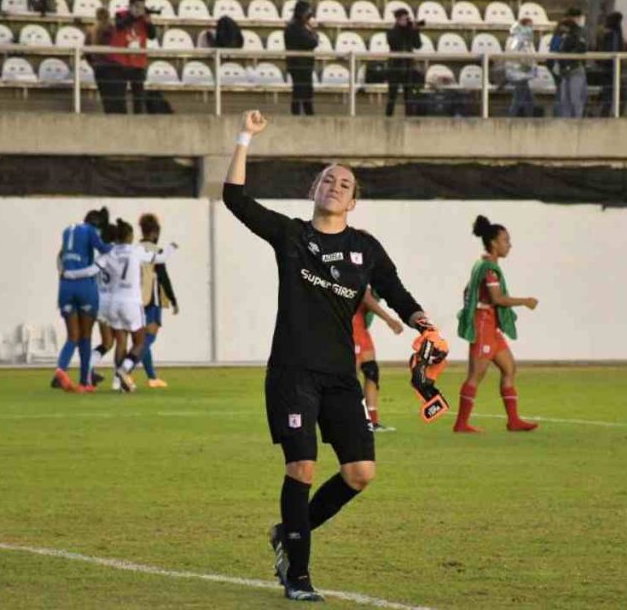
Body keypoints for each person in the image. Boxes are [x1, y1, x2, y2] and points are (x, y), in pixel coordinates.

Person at [224, 110, 442, 601]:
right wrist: (245, 137)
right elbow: (234, 198)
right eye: (328, 179)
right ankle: (298, 576)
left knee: (360, 474)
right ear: (314, 191)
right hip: (293, 373)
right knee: (301, 466)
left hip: (339, 377)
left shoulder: (366, 248)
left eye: (345, 182)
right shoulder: (291, 236)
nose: (336, 185)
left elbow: (397, 293)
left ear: (354, 200)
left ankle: (287, 533)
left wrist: (424, 324)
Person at [454, 215, 539, 434]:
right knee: (476, 375)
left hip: (491, 326)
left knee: (509, 368)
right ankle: (461, 424)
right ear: (493, 243)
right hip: (483, 326)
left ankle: (514, 421)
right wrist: (525, 301)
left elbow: (468, 290)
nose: (508, 245)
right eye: (505, 240)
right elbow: (497, 299)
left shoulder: (483, 265)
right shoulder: (488, 268)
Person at [97, 218, 177, 392]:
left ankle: (117, 383)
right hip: (135, 302)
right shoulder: (138, 251)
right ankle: (125, 371)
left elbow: (97, 270)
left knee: (121, 341)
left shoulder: (110, 253)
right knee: (142, 340)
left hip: (113, 302)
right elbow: (161, 263)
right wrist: (172, 247)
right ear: (129, 236)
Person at [53, 208, 113, 393]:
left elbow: (60, 257)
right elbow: (103, 248)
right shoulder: (90, 231)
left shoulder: (67, 230)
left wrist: (64, 273)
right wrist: (118, 248)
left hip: (65, 286)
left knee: (72, 336)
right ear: (97, 225)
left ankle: (60, 370)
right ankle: (84, 381)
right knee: (86, 336)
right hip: (84, 286)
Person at [137, 213, 179, 388]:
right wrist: (173, 299)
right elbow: (163, 277)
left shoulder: (136, 248)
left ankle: (152, 377)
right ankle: (127, 368)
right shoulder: (156, 251)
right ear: (154, 232)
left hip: (137, 298)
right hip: (152, 298)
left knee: (143, 338)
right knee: (149, 338)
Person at [352, 287, 403, 431]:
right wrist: (389, 320)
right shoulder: (363, 275)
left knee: (371, 372)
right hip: (352, 326)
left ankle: (372, 421)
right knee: (349, 378)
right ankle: (350, 419)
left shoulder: (379, 278)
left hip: (361, 328)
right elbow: (366, 298)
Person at [107, 0, 157, 115]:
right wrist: (133, 16)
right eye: (137, 6)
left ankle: (138, 120)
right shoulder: (120, 15)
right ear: (131, 6)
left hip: (138, 62)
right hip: (122, 61)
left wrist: (149, 22)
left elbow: (153, 35)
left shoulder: (144, 19)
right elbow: (119, 26)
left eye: (142, 6)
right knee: (119, 95)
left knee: (139, 96)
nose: (140, 9)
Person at [89, 222, 118, 388]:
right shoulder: (117, 254)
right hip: (115, 302)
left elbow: (93, 274)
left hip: (100, 302)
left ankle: (88, 369)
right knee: (121, 341)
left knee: (107, 343)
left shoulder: (100, 255)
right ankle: (118, 380)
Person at [386, 8, 422, 117]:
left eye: (406, 18)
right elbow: (395, 43)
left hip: (408, 67)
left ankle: (409, 118)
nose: (405, 21)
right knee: (392, 96)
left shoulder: (410, 31)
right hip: (395, 67)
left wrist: (415, 30)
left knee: (409, 96)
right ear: (397, 19)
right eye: (403, 19)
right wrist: (406, 30)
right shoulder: (391, 32)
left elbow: (418, 45)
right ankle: (388, 117)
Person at [285, 1, 319, 116]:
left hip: (302, 65)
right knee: (300, 93)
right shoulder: (295, 27)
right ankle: (300, 117)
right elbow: (312, 42)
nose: (309, 16)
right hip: (299, 65)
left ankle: (307, 116)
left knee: (304, 93)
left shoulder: (295, 26)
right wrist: (313, 32)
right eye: (307, 13)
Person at [88, 8, 121, 115]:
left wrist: (93, 64)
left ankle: (109, 115)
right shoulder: (113, 30)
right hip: (113, 67)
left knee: (105, 97)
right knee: (115, 96)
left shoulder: (92, 30)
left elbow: (87, 52)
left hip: (99, 67)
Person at [596, 11, 627, 117]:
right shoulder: (614, 34)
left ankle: (604, 116)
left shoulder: (605, 33)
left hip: (607, 68)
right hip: (612, 69)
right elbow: (613, 50)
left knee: (609, 96)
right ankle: (608, 116)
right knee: (620, 96)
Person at [556, 15, 588, 118]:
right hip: (565, 72)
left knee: (575, 98)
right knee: (564, 99)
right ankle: (566, 121)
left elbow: (581, 49)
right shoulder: (562, 38)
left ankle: (578, 121)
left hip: (575, 70)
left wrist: (569, 62)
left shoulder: (578, 36)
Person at [506, 17, 537, 117]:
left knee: (527, 98)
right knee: (518, 98)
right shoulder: (515, 39)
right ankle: (511, 117)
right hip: (518, 72)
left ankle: (529, 118)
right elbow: (515, 54)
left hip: (524, 73)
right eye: (529, 26)